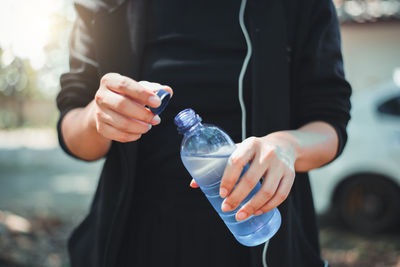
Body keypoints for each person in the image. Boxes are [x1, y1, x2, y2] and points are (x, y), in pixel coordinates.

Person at [56, 0, 351, 266]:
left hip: (263, 238)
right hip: (134, 240)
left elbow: (330, 123)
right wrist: (99, 116)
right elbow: (72, 129)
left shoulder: (300, 6)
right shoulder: (104, 6)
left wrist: (287, 146)